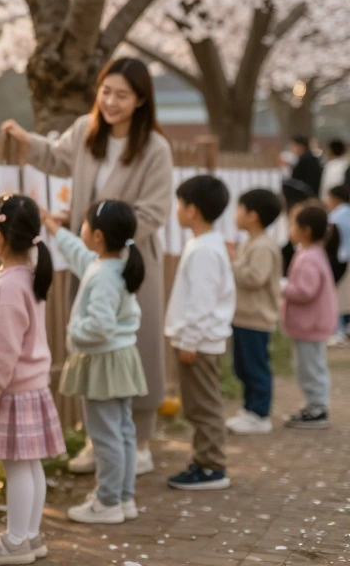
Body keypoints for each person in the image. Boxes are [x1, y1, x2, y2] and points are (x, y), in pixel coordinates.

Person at [3, 57, 172, 477]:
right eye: (106, 91)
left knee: (135, 346)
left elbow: (154, 211)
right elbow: (57, 158)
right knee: (90, 345)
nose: (111, 102)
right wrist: (26, 140)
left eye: (123, 95)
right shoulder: (85, 130)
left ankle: (141, 440)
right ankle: (99, 440)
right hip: (88, 257)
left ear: (140, 101)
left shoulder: (155, 148)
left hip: (130, 262)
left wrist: (104, 233)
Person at [0, 195, 63, 566]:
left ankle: (16, 540)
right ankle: (30, 535)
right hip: (30, 387)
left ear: (0, 238)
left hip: (11, 389)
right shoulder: (27, 276)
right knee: (30, 464)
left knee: (17, 466)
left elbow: (4, 345)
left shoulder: (9, 285)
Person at [44, 200, 147, 525]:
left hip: (103, 361)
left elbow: (100, 326)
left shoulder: (103, 274)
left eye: (84, 225)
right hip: (122, 359)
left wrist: (74, 331)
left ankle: (108, 501)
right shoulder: (114, 261)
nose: (81, 230)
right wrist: (56, 230)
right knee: (123, 431)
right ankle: (124, 497)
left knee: (105, 435)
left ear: (99, 235)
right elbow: (79, 254)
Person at [164, 175, 236, 490]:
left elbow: (201, 301)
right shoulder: (205, 244)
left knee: (203, 405)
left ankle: (212, 467)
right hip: (201, 339)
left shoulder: (204, 250)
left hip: (200, 341)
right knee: (197, 403)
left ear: (192, 210)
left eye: (180, 204)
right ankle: (204, 460)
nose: (176, 210)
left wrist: (189, 340)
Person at [226, 189, 284, 436]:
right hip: (243, 317)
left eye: (240, 209)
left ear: (253, 216)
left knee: (255, 367)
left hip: (256, 319)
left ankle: (260, 415)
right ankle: (250, 409)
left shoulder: (262, 246)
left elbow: (255, 277)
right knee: (242, 366)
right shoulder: (252, 242)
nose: (235, 214)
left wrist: (232, 262)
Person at [282, 203, 339, 429]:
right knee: (313, 366)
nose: (290, 228)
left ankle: (317, 409)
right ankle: (315, 406)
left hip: (310, 324)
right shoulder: (312, 254)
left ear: (304, 230)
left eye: (292, 224)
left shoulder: (308, 257)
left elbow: (305, 291)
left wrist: (283, 287)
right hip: (313, 323)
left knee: (310, 368)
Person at [323, 185, 350, 345]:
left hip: (342, 259)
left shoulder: (335, 216)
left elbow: (331, 239)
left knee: (339, 296)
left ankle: (337, 331)